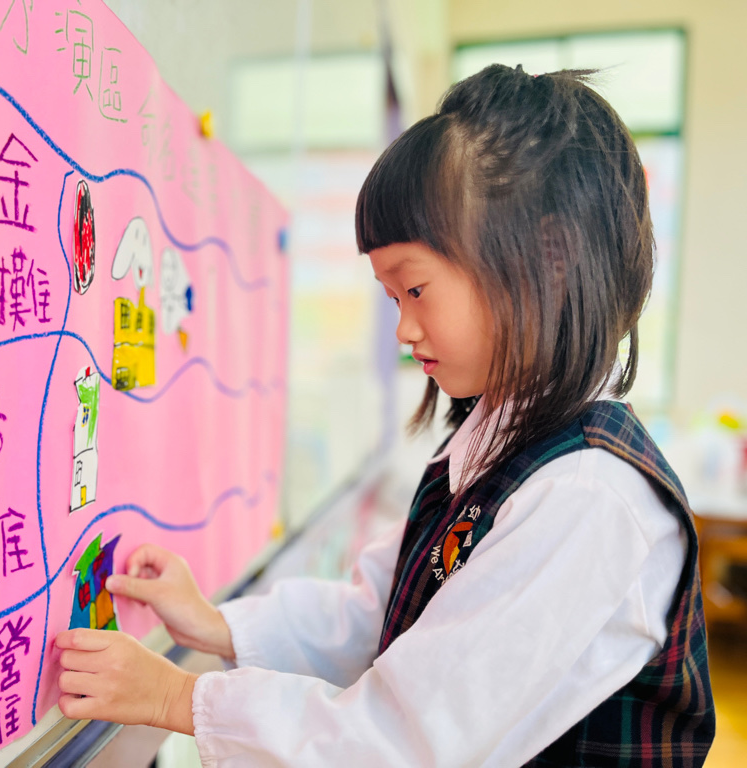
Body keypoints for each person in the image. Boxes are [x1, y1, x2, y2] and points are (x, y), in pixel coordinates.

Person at [52, 64, 716, 766]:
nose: (403, 329)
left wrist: (176, 699)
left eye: (416, 289)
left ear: (548, 260)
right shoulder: (500, 442)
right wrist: (216, 623)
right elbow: (380, 610)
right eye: (392, 299)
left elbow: (406, 741)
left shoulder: (586, 497)